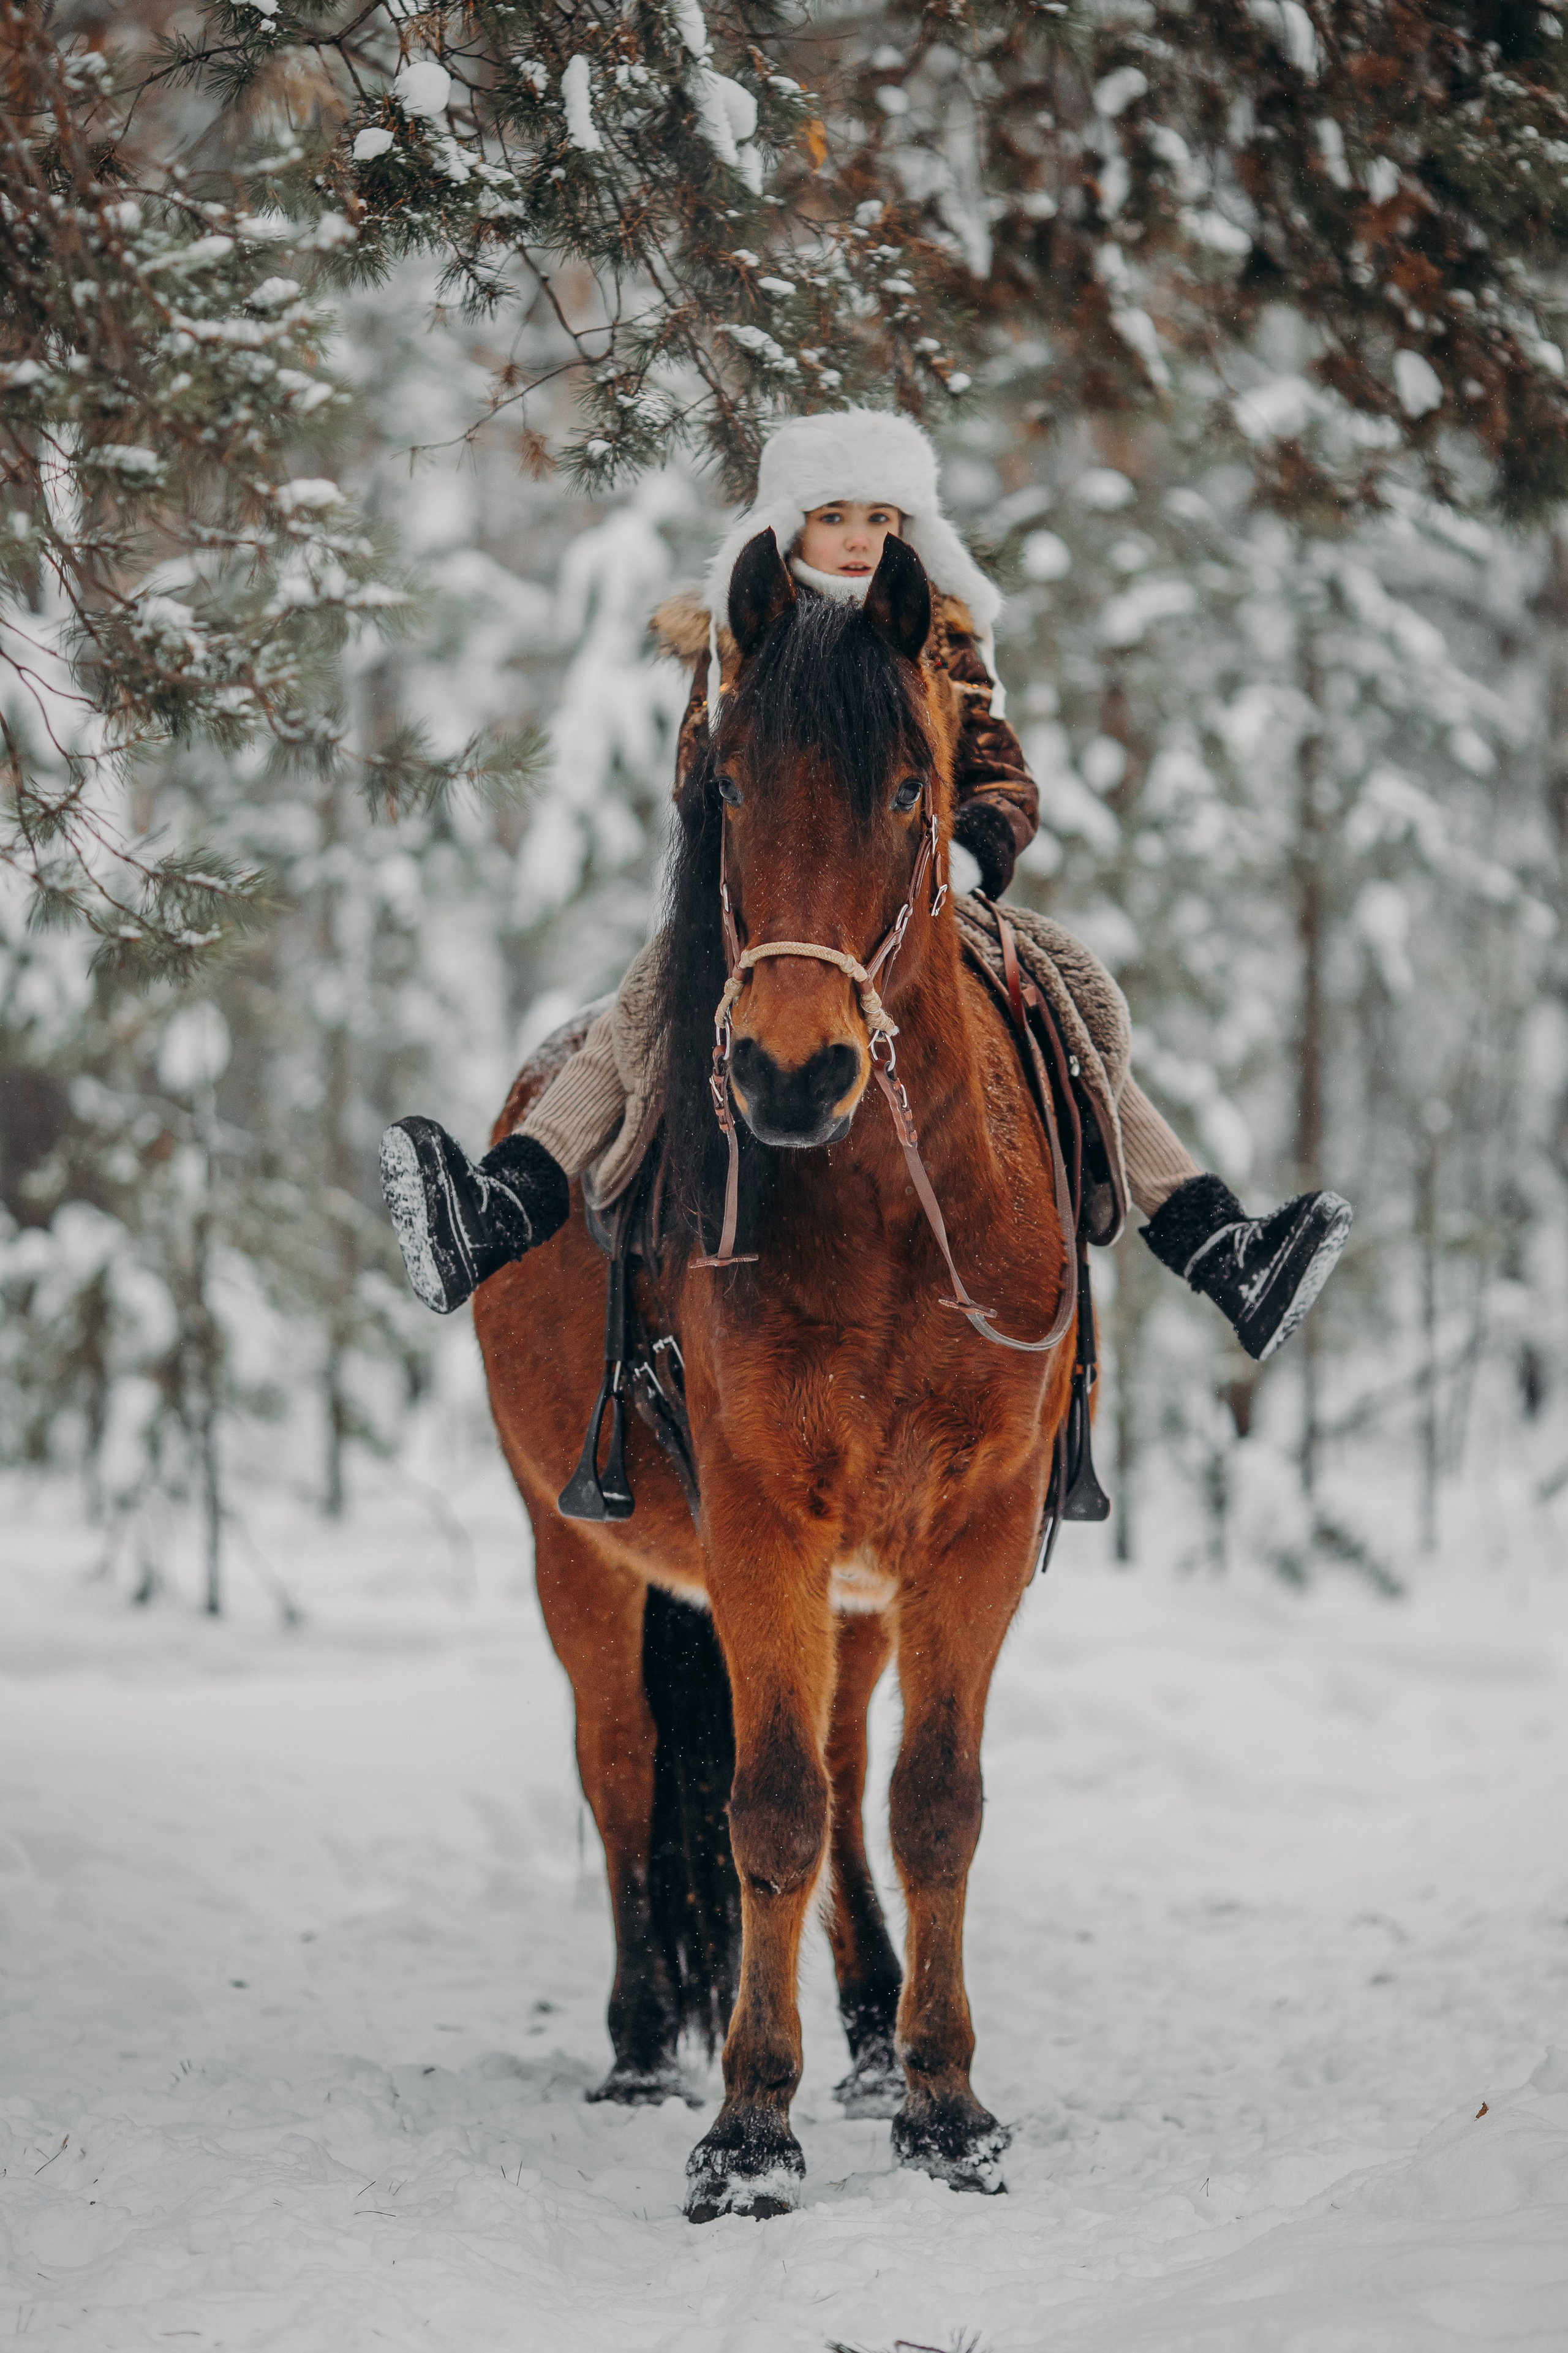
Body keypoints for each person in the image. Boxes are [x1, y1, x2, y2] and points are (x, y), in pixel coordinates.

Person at [379, 410, 1352, 1364]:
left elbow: (999, 773)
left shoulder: (938, 642)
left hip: (908, 895)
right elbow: (699, 781)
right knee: (643, 1007)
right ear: (791, 522)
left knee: (1071, 999)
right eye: (835, 514)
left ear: (908, 533)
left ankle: (1217, 1243)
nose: (857, 538)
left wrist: (968, 849)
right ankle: (502, 1203)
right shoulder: (744, 638)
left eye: (880, 519)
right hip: (770, 912)